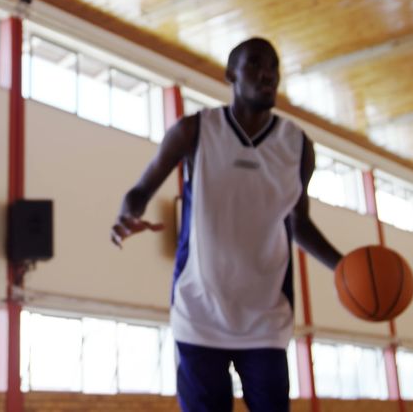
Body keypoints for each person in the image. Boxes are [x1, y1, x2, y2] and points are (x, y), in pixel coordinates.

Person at [111, 37, 343, 412]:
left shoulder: (298, 145)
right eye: (255, 64)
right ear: (231, 74)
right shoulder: (194, 130)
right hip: (199, 310)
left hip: (266, 316)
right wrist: (128, 215)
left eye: (273, 67)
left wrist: (344, 266)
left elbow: (298, 221)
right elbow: (140, 190)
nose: (267, 74)